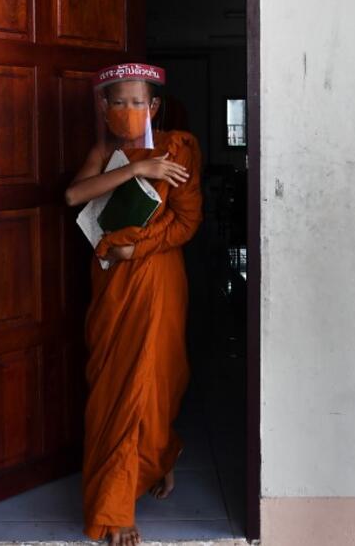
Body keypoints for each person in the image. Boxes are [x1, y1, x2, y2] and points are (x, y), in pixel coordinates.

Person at [65, 63, 204, 546]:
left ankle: (121, 504)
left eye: (136, 101)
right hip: (111, 282)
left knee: (152, 384)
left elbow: (187, 224)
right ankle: (154, 464)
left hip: (157, 279)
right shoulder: (104, 151)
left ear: (154, 106)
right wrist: (137, 167)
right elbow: (72, 194)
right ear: (104, 108)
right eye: (117, 102)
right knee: (113, 387)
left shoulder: (179, 148)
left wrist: (135, 250)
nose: (127, 111)